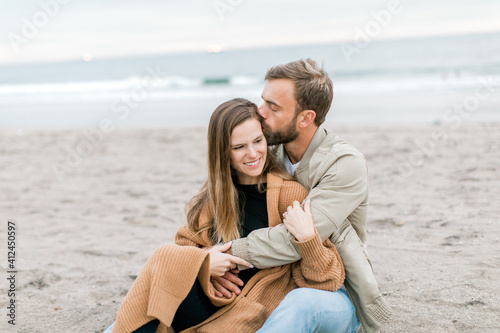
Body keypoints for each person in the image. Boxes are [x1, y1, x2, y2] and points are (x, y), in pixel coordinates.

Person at [105, 98, 345, 333]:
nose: (252, 153)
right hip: (205, 302)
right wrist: (205, 264)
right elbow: (185, 245)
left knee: (162, 260)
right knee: (163, 266)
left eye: (258, 141)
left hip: (244, 312)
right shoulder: (214, 199)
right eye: (239, 147)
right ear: (224, 152)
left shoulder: (288, 194)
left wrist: (308, 238)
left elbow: (328, 278)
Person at [211, 59, 392, 333]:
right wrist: (204, 263)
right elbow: (215, 206)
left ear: (306, 118)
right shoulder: (267, 153)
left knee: (301, 304)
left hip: (332, 292)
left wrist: (227, 254)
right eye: (263, 101)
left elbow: (292, 240)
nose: (259, 113)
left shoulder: (344, 164)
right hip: (271, 282)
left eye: (273, 107)